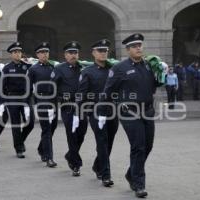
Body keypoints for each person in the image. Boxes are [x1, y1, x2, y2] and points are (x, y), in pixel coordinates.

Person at [98, 33, 161, 198]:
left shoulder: (148, 65)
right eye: (134, 46)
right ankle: (138, 185)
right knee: (138, 146)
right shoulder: (119, 68)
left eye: (140, 45)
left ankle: (132, 173)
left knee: (148, 146)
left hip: (147, 111)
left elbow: (153, 86)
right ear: (127, 50)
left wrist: (163, 74)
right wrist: (103, 113)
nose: (138, 48)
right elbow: (108, 91)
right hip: (129, 112)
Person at [75, 39, 119, 187]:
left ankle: (97, 166)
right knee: (102, 141)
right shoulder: (87, 72)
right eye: (100, 51)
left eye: (105, 51)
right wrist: (79, 113)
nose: (103, 53)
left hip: (112, 111)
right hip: (95, 112)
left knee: (110, 142)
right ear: (93, 53)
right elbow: (81, 94)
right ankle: (105, 175)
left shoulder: (113, 70)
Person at [51, 41, 88, 176]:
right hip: (68, 106)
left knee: (82, 133)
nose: (73, 55)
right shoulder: (59, 68)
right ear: (65, 55)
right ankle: (75, 164)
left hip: (82, 106)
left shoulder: (83, 68)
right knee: (71, 134)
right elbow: (52, 87)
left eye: (76, 53)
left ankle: (70, 154)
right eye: (71, 53)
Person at [0, 42, 35, 158]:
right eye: (15, 52)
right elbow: (2, 86)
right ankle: (18, 149)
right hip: (12, 98)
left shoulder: (28, 66)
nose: (18, 54)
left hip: (26, 98)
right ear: (11, 54)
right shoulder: (7, 68)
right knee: (16, 124)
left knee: (30, 123)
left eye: (19, 52)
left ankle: (20, 141)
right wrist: (2, 102)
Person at [27, 42, 58, 167]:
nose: (45, 54)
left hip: (53, 100)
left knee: (53, 127)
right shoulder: (33, 69)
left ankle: (41, 148)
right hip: (41, 100)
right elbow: (28, 87)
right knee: (46, 129)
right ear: (37, 55)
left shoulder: (54, 67)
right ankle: (49, 158)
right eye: (42, 52)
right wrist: (28, 104)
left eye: (46, 52)